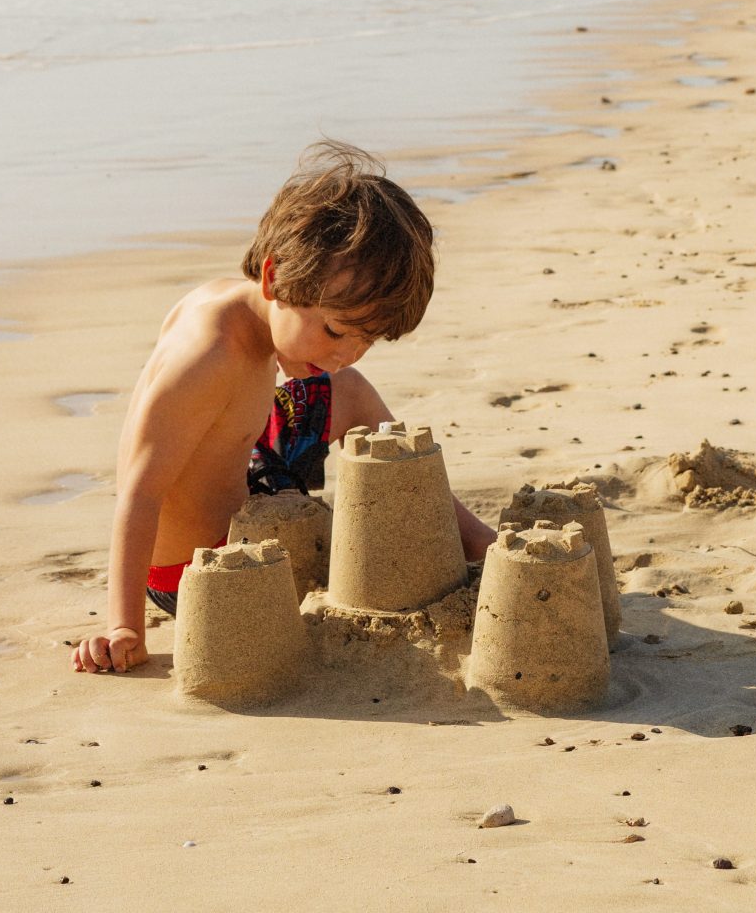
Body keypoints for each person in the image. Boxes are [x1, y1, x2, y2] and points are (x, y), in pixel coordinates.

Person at [71, 141, 495, 674]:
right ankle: (465, 541)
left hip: (247, 485)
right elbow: (139, 490)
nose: (344, 355)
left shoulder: (247, 311)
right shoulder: (206, 357)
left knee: (352, 393)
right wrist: (123, 626)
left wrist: (334, 348)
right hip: (203, 574)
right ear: (275, 279)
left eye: (368, 340)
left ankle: (473, 536)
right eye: (337, 331)